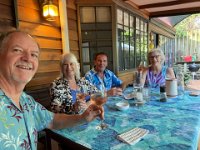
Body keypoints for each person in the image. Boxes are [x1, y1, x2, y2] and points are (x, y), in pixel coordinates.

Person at [0, 30, 103, 150]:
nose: (27, 58)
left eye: (34, 54)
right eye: (17, 50)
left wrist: (83, 118)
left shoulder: (26, 101)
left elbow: (52, 120)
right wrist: (75, 108)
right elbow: (56, 108)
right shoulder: (57, 84)